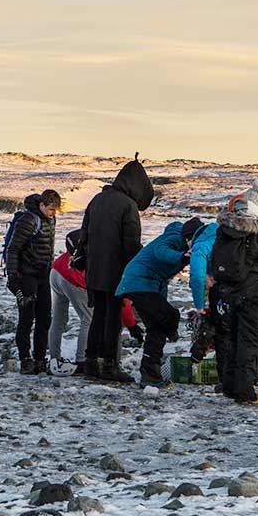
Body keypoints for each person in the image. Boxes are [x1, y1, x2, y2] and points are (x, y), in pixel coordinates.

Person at [207, 180, 258, 404]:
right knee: (250, 343)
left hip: (228, 294)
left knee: (233, 340)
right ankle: (245, 392)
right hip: (253, 295)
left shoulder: (224, 230)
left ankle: (231, 386)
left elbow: (213, 259)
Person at [80, 158, 154, 383]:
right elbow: (130, 242)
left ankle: (91, 363)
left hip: (94, 271)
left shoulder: (97, 199)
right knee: (113, 319)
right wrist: (138, 268)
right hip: (115, 272)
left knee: (98, 316)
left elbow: (84, 236)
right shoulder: (127, 206)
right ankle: (110, 366)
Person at [115, 217, 205, 386]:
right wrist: (182, 256)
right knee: (170, 315)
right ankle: (170, 337)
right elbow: (161, 252)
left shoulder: (187, 247)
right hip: (138, 282)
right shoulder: (173, 237)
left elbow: (162, 278)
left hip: (149, 285)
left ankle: (150, 375)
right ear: (187, 238)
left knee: (156, 330)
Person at [4, 189, 61, 374]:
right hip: (27, 276)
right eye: (51, 209)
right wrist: (13, 278)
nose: (53, 213)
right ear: (42, 205)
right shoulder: (28, 220)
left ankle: (39, 358)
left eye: (55, 210)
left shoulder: (51, 220)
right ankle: (25, 359)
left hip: (43, 276)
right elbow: (13, 249)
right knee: (26, 318)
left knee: (45, 318)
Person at [48, 244, 91, 373]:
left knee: (58, 319)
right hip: (72, 276)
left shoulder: (89, 232)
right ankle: (81, 360)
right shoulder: (108, 242)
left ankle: (54, 358)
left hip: (56, 269)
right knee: (88, 318)